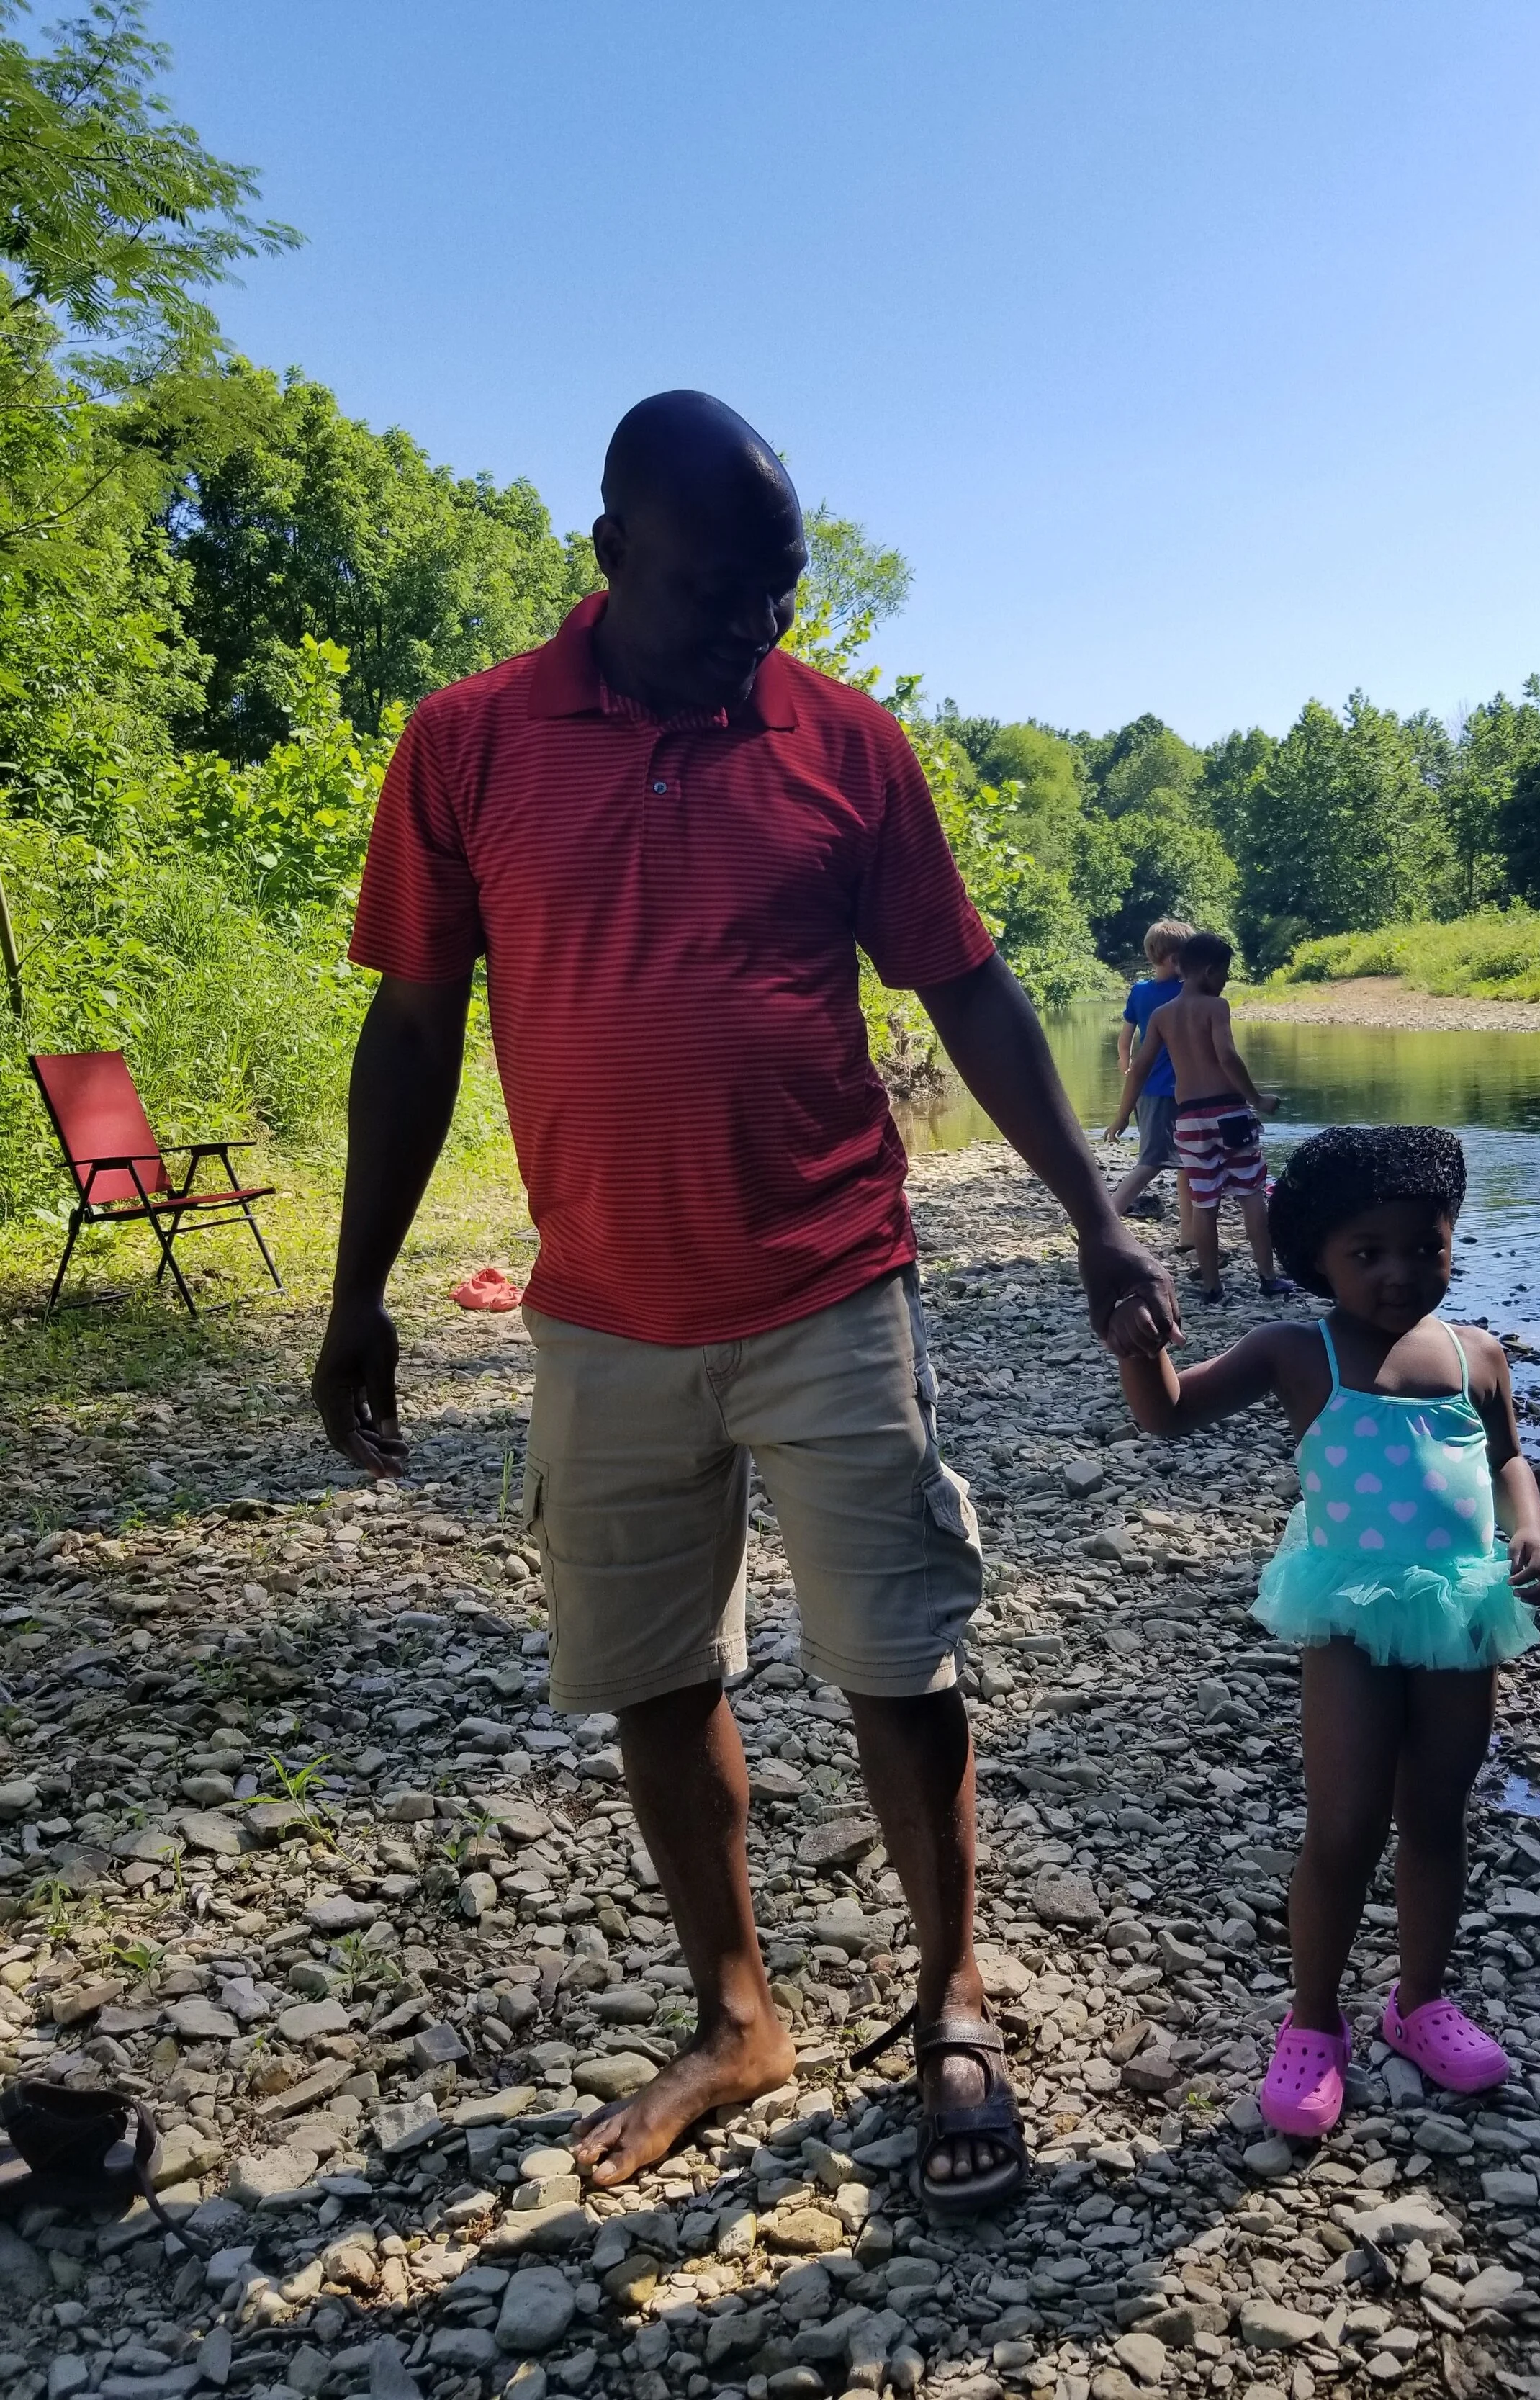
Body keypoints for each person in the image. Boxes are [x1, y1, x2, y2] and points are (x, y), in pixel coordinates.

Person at [310, 390, 1178, 2213]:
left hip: (831, 1281)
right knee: (653, 1670)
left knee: (900, 1654)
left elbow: (971, 992)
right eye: (721, 585)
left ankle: (951, 2000)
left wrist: (1095, 1219)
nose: (755, 623)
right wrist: (359, 1291)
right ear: (613, 549)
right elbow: (409, 1028)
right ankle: (737, 2018)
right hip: (604, 1307)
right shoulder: (465, 743)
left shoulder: (845, 744)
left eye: (780, 586)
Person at [1112, 1125, 1540, 2137]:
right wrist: (1143, 1353)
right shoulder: (1295, 1352)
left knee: (1437, 1812)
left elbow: (1506, 1462)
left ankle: (1420, 2002)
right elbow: (1170, 1418)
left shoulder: (1475, 1352)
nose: (1400, 1273)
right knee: (1348, 1822)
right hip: (1348, 1614)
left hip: (1460, 1606)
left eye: (1424, 1247)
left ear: (1452, 1241)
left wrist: (1529, 1527)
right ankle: (1313, 2021)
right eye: (1368, 1253)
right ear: (1319, 1257)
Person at [1105, 930, 1295, 1303]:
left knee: (1205, 1200)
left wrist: (1123, 1114)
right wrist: (1255, 1098)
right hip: (1229, 1112)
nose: (1225, 981)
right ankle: (1268, 1278)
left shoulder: (1161, 1015)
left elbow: (1140, 1068)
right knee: (1252, 1194)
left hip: (1189, 1120)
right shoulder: (1215, 1008)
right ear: (1209, 971)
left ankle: (1212, 1287)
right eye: (1224, 973)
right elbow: (1226, 1056)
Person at [1107, 919, 1194, 1244]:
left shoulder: (1140, 992)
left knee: (1189, 1164)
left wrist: (1124, 1061)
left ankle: (1189, 1237)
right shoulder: (1186, 990)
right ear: (1176, 960)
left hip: (1149, 1089)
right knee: (1153, 1161)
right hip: (1173, 1090)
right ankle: (1106, 1218)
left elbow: (1127, 1032)